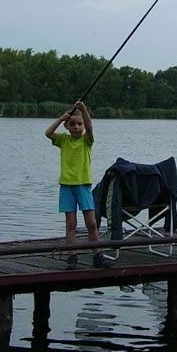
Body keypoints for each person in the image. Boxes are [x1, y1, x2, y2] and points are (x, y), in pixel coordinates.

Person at [45, 100, 107, 269]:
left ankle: (97, 255)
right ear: (67, 127)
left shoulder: (87, 140)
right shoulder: (63, 140)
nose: (77, 127)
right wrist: (61, 119)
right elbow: (48, 133)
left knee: (92, 223)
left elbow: (90, 126)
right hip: (67, 187)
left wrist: (83, 109)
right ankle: (72, 256)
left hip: (83, 186)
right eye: (72, 124)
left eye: (79, 124)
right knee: (71, 224)